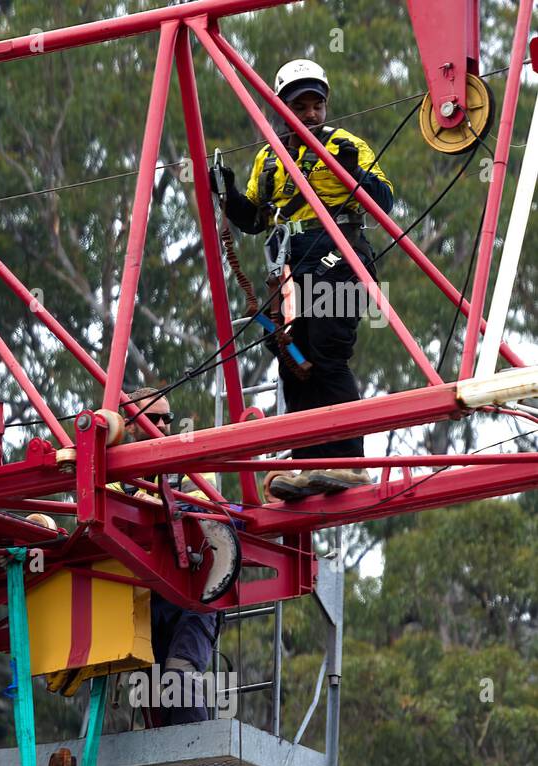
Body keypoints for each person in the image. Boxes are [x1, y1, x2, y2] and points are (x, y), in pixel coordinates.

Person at [211, 58, 395, 501]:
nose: (311, 114)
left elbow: (383, 200)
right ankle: (308, 463)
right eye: (301, 105)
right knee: (294, 364)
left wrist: (353, 171)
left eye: (317, 105)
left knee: (329, 354)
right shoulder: (270, 157)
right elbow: (254, 218)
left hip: (341, 254)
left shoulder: (346, 143)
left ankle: (350, 462)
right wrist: (228, 192)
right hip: (290, 271)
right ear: (281, 107)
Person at [115, 387, 219, 725]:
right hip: (145, 606)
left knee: (180, 677)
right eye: (152, 417)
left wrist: (151, 511)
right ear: (128, 425)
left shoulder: (189, 467)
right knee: (153, 702)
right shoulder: (113, 480)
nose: (162, 424)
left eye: (167, 418)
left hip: (192, 597)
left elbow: (201, 509)